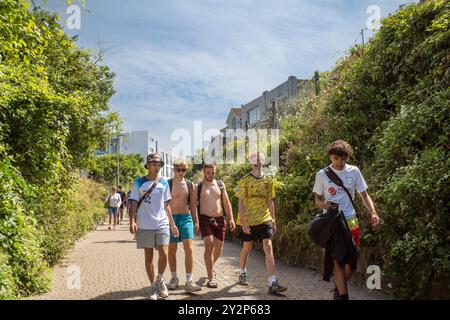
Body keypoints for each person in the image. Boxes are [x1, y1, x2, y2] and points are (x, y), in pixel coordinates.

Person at [312, 140, 380, 300]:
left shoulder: (354, 171)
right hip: (333, 223)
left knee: (353, 262)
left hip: (351, 221)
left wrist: (373, 212)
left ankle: (338, 287)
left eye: (343, 159)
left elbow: (364, 195)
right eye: (336, 158)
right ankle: (343, 295)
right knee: (337, 260)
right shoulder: (322, 174)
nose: (340, 162)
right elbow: (317, 200)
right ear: (330, 156)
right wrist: (325, 204)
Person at [128, 153, 179, 300]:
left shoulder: (164, 182)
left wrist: (172, 224)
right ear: (148, 165)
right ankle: (152, 287)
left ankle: (160, 280)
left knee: (164, 252)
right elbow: (133, 203)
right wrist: (132, 221)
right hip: (144, 224)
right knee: (148, 257)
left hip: (161, 223)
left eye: (159, 165)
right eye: (154, 164)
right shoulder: (139, 182)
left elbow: (166, 205)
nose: (157, 167)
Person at [235, 152, 287, 295]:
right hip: (249, 220)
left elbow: (270, 201)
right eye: (254, 160)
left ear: (263, 161)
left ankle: (272, 282)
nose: (257, 162)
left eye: (259, 160)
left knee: (268, 246)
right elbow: (240, 202)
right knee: (247, 247)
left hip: (265, 218)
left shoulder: (269, 180)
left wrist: (274, 220)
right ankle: (243, 272)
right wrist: (243, 222)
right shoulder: (244, 180)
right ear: (250, 162)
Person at [197, 163, 235, 288]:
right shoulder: (198, 186)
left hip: (219, 219)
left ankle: (210, 267)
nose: (210, 175)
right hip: (204, 219)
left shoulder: (220, 185)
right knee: (209, 243)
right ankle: (211, 277)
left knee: (218, 249)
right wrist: (195, 221)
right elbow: (192, 205)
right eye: (208, 172)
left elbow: (226, 202)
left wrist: (231, 219)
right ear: (204, 172)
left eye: (213, 172)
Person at [166, 159, 201, 293]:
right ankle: (174, 278)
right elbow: (165, 204)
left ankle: (189, 281)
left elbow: (193, 205)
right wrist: (171, 223)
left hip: (186, 218)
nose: (181, 172)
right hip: (172, 218)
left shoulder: (190, 184)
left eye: (184, 170)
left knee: (189, 249)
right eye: (178, 170)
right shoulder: (167, 183)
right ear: (174, 169)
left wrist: (196, 221)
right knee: (172, 249)